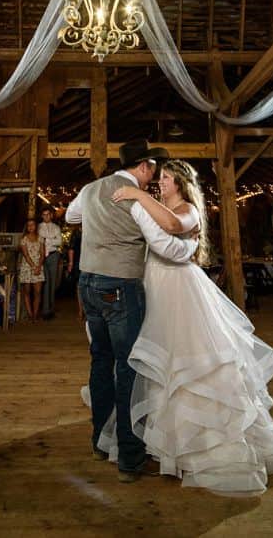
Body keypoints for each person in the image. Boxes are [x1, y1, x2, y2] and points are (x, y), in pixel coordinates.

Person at [107, 159, 273, 496]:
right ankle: (163, 442)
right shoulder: (156, 206)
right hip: (155, 287)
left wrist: (138, 194)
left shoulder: (188, 209)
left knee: (190, 361)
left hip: (181, 291)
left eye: (166, 178)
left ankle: (204, 444)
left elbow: (174, 225)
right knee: (158, 362)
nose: (160, 183)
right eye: (159, 178)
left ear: (180, 183)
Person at [66, 138, 197, 483]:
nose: (154, 174)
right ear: (142, 166)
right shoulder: (136, 200)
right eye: (152, 167)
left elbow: (70, 215)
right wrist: (192, 243)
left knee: (100, 362)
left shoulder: (92, 188)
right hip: (119, 288)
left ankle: (99, 442)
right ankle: (129, 457)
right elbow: (164, 244)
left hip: (86, 284)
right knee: (128, 368)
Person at [18, 217, 45, 323]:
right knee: (27, 292)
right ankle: (30, 314)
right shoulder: (23, 239)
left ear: (36, 226)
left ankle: (35, 314)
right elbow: (26, 255)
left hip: (38, 266)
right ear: (26, 227)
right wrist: (34, 267)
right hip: (27, 267)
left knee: (38, 292)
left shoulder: (40, 238)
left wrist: (38, 266)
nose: (30, 227)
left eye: (32, 225)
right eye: (28, 225)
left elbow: (42, 254)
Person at [39, 207, 62, 319]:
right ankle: (45, 311)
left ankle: (51, 309)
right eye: (44, 214)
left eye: (48, 214)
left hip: (54, 255)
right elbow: (39, 241)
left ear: (51, 215)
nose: (46, 216)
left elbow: (59, 242)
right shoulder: (38, 227)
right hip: (41, 256)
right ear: (42, 216)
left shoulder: (56, 227)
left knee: (53, 283)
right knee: (45, 282)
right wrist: (52, 238)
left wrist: (47, 239)